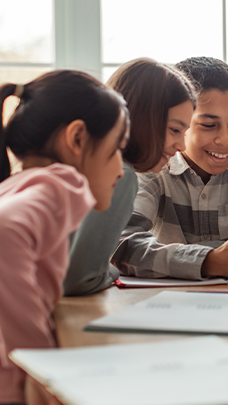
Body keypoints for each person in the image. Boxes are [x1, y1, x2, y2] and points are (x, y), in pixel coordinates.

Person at [0, 70, 129, 405]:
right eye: (116, 149)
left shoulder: (23, 187)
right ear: (78, 139)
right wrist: (44, 366)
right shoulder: (53, 187)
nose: (121, 169)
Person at [113, 57, 228, 279]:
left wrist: (184, 258)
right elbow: (123, 246)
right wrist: (210, 261)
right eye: (209, 125)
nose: (225, 140)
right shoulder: (154, 170)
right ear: (181, 122)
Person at [64, 58, 196, 295]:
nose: (182, 146)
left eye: (185, 132)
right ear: (142, 119)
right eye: (175, 130)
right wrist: (111, 271)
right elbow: (80, 279)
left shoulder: (82, 165)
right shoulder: (119, 175)